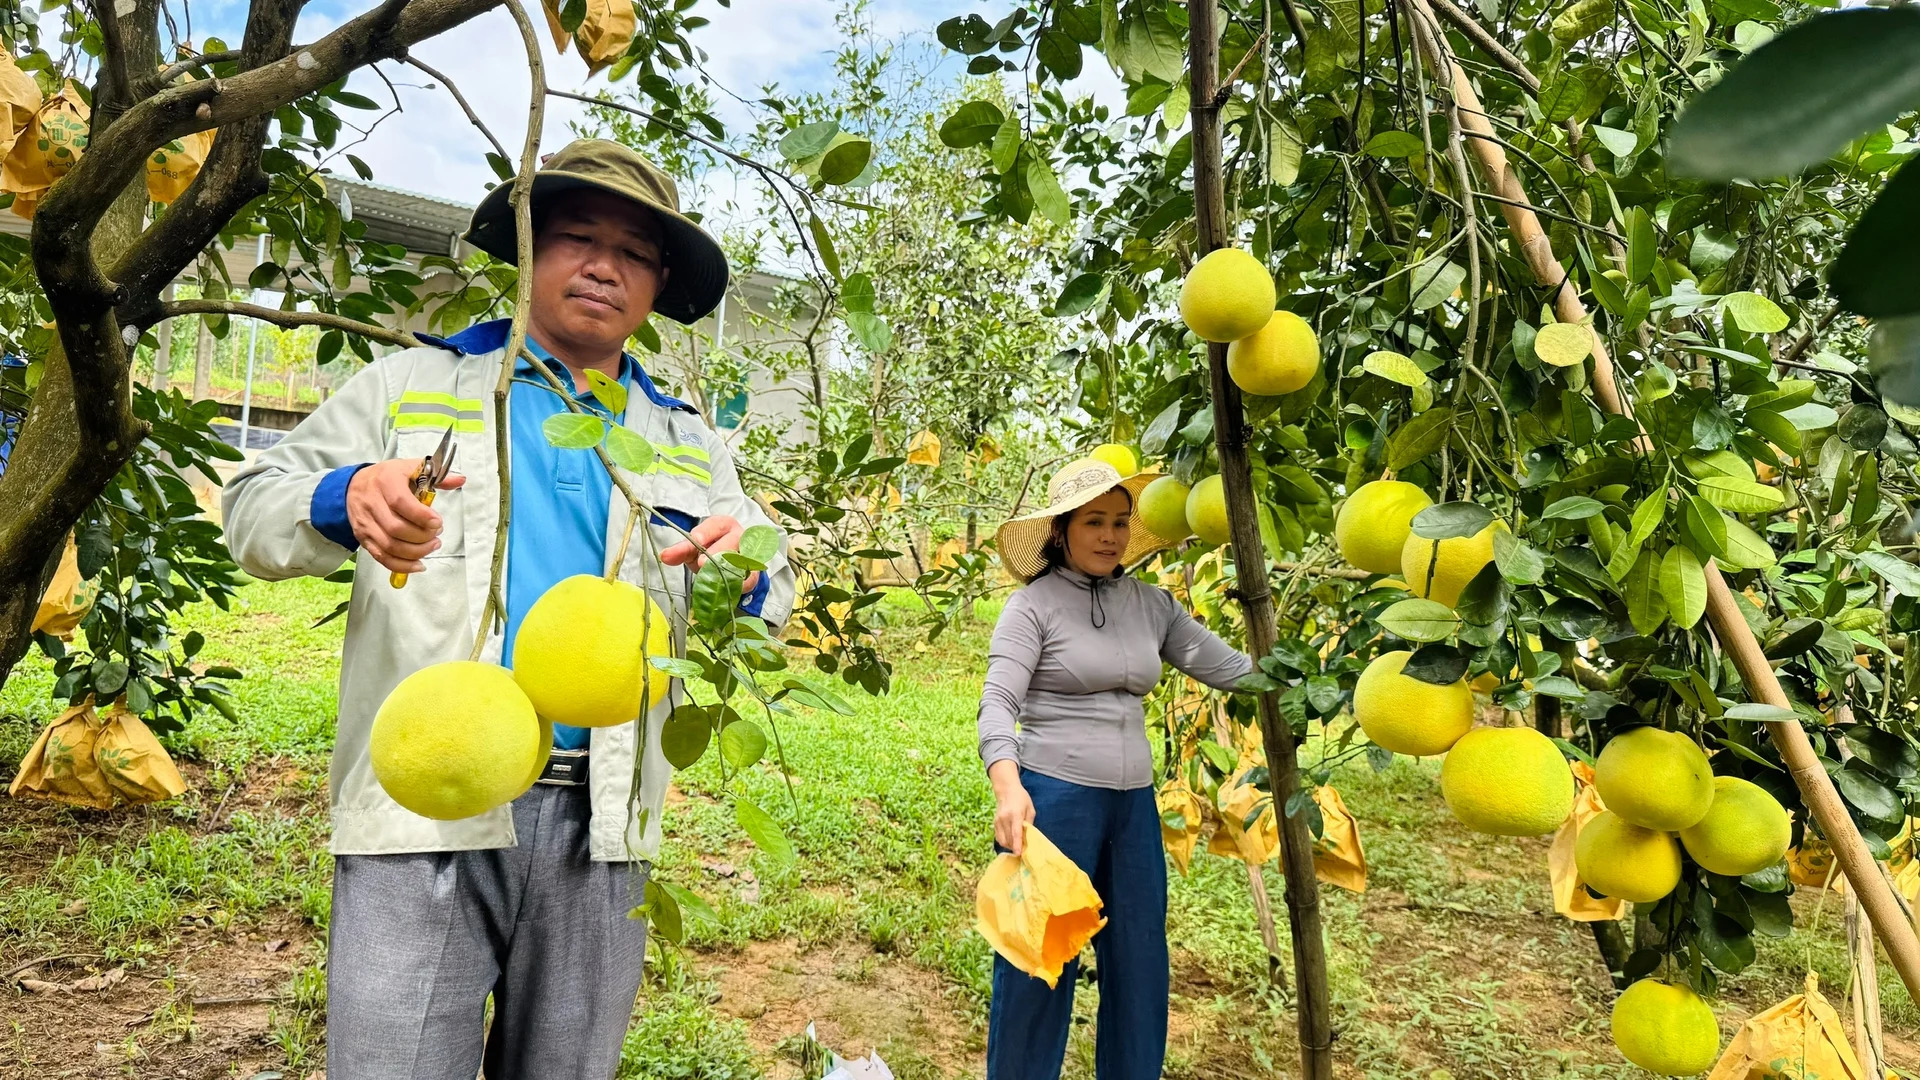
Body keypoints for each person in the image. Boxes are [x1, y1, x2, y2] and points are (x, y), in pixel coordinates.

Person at [223, 140, 793, 1080]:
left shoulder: (687, 441)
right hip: (430, 800)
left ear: (657, 284)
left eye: (634, 253)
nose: (604, 266)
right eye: (576, 236)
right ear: (528, 249)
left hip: (602, 823)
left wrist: (750, 574)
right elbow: (251, 508)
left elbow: (767, 586)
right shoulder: (417, 388)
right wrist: (346, 496)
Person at [977, 458, 1254, 1080]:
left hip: (1132, 809)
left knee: (1139, 963)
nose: (1109, 536)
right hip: (1053, 801)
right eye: (1094, 522)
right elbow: (998, 702)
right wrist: (1008, 786)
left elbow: (1232, 669)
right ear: (1061, 531)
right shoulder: (1032, 607)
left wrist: (1303, 677)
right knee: (1039, 962)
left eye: (1120, 522)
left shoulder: (1152, 605)